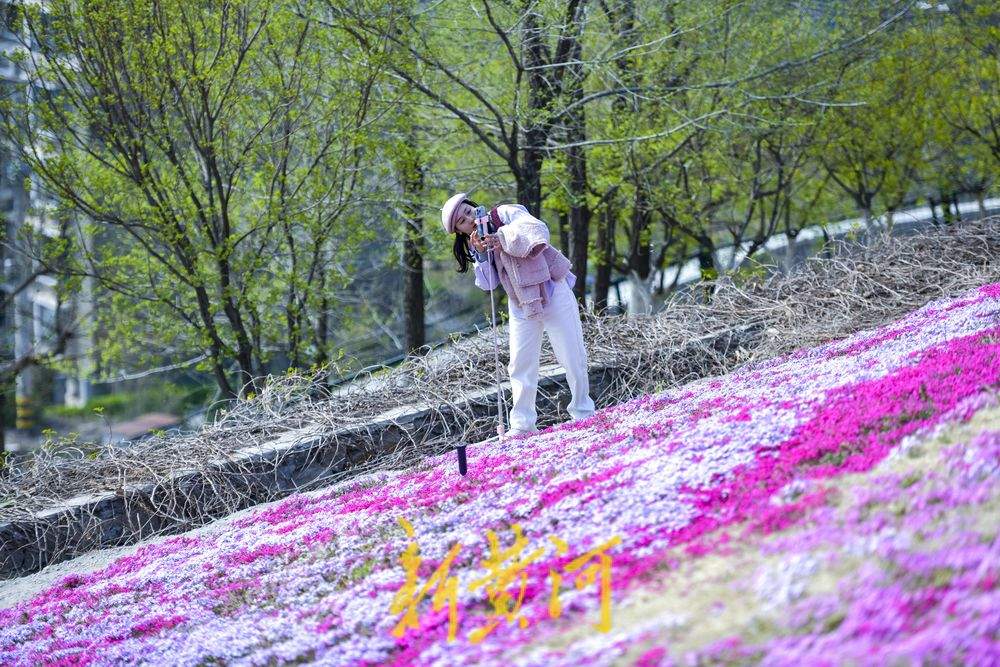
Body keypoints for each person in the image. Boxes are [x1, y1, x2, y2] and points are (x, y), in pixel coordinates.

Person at [441, 192, 596, 436]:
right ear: (459, 231)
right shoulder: (477, 244)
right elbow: (489, 284)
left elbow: (535, 229)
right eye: (462, 221)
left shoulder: (503, 214)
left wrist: (500, 237)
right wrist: (482, 254)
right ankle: (522, 424)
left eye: (468, 211)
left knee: (571, 353)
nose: (469, 219)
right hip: (520, 301)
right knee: (520, 362)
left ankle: (583, 411)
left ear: (474, 207)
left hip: (552, 289)